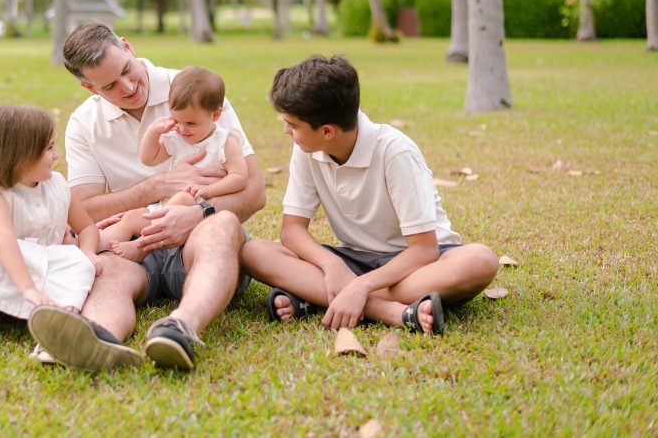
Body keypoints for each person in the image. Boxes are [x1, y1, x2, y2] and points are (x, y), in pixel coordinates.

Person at [26, 23, 265, 372]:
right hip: (136, 248)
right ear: (87, 86)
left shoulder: (194, 89)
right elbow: (84, 209)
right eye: (109, 85)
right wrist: (157, 187)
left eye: (126, 70)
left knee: (223, 224)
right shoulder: (84, 123)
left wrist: (198, 213)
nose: (127, 87)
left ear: (128, 46)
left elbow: (254, 190)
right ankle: (92, 338)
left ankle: (180, 327)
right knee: (105, 269)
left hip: (200, 240)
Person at [240, 55, 499, 335]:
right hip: (353, 259)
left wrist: (360, 286)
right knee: (254, 251)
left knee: (481, 260)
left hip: (416, 263)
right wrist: (332, 266)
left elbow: (424, 249)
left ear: (327, 131)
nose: (286, 130)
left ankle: (320, 300)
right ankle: (391, 312)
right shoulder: (308, 149)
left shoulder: (395, 152)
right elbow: (292, 231)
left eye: (292, 124)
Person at [0, 106, 101, 358]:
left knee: (78, 263)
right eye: (48, 148)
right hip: (11, 274)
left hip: (50, 271)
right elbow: (3, 239)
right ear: (19, 155)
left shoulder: (58, 185)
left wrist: (88, 251)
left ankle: (58, 325)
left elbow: (87, 227)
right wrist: (27, 288)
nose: (56, 156)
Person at [101, 66, 248, 262]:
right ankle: (91, 244)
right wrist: (154, 131)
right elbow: (148, 158)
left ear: (214, 115)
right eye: (176, 120)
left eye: (191, 123)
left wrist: (209, 191)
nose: (182, 128)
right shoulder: (177, 137)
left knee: (182, 199)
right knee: (131, 217)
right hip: (165, 206)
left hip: (197, 210)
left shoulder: (225, 141)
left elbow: (239, 177)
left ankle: (141, 246)